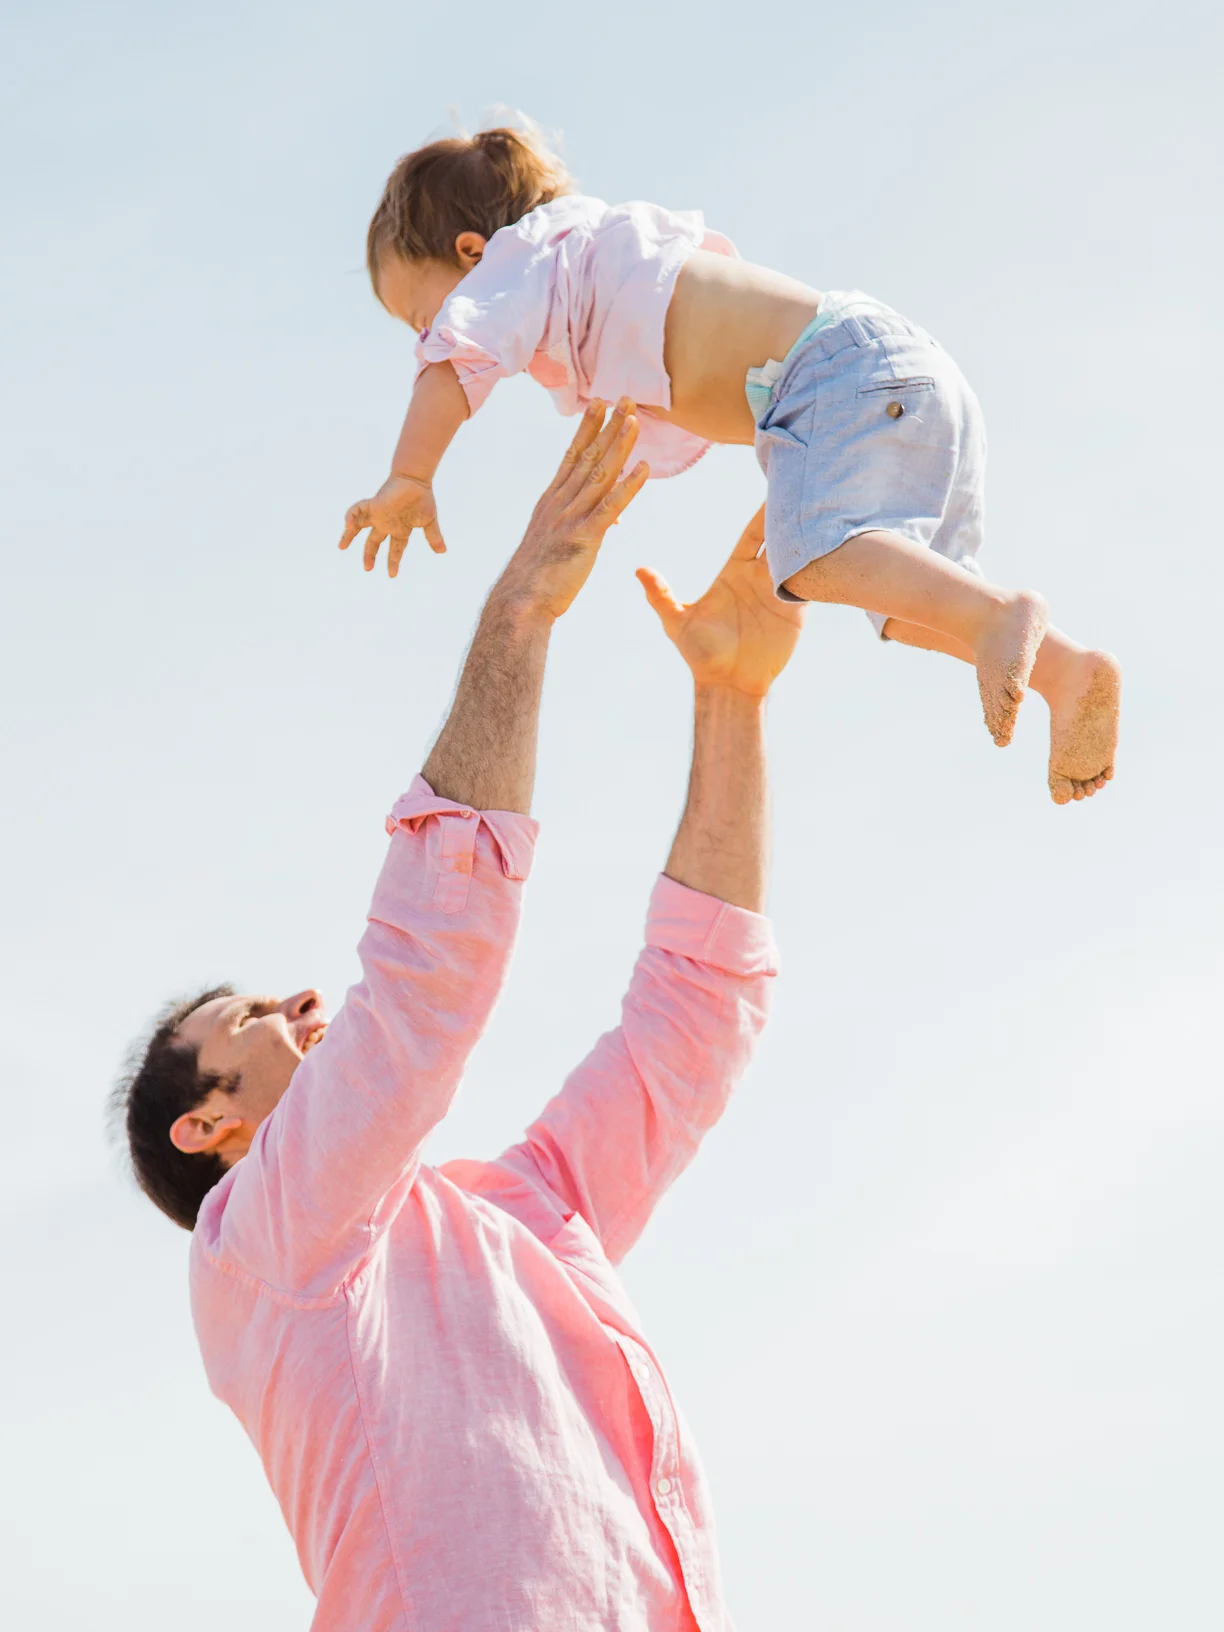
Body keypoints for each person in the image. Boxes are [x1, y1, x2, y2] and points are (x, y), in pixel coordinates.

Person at [114, 403, 803, 1630]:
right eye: (252, 1015)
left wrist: (732, 702)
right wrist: (522, 609)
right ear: (204, 1127)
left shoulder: (527, 1215)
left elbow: (693, 1019)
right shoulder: (260, 1243)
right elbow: (424, 994)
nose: (301, 1001)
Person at [338, 123, 1121, 807]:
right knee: (904, 608)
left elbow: (456, 359)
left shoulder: (523, 257)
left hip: (833, 375)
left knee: (811, 553)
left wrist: (410, 476)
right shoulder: (586, 270)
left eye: (421, 312)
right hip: (897, 376)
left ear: (471, 254)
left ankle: (998, 619)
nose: (431, 332)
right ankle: (1064, 672)